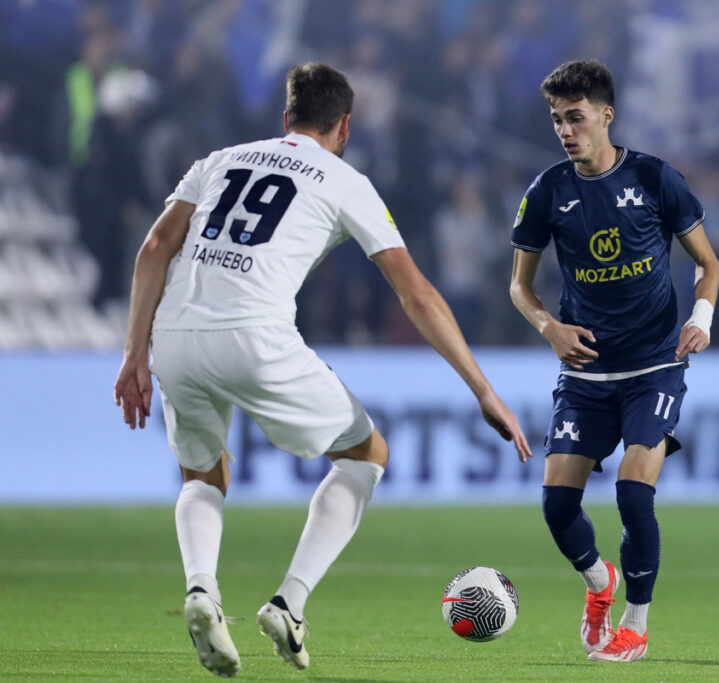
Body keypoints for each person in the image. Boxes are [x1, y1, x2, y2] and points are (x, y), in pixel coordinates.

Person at [113, 63, 531, 677]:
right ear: (344, 127)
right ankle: (290, 603)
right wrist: (483, 388)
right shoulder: (345, 179)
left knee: (201, 473)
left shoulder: (219, 159)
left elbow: (155, 247)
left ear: (285, 118)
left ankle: (202, 589)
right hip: (256, 336)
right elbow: (415, 294)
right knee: (366, 455)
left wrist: (133, 354)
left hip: (174, 335)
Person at [508, 59, 719, 662]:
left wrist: (699, 319)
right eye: (556, 120)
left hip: (654, 364)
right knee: (556, 507)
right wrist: (549, 327)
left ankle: (637, 623)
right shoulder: (547, 191)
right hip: (584, 372)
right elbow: (519, 287)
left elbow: (710, 263)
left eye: (575, 118)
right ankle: (600, 583)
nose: (565, 131)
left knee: (633, 492)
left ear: (606, 115)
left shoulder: (656, 179)